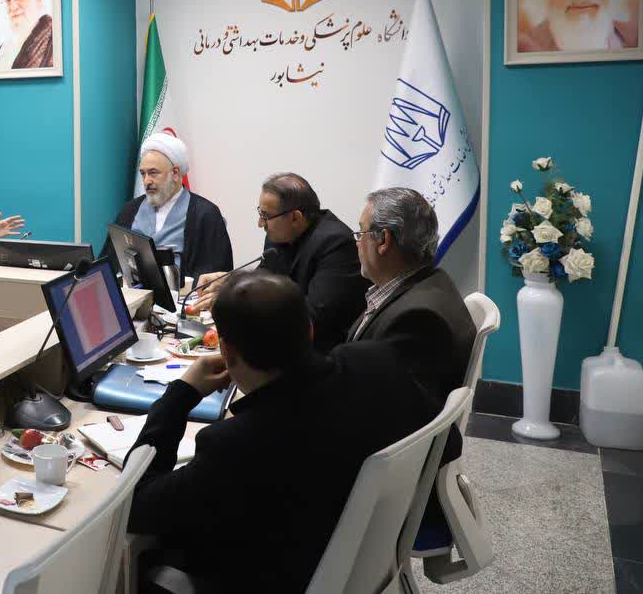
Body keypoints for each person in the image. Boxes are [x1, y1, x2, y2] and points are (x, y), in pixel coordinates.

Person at [125, 271, 438, 594]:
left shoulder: (235, 445)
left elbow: (135, 507)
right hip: (363, 564)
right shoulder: (377, 359)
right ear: (310, 330)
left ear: (227, 352)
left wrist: (180, 395)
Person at [192, 172, 368, 353]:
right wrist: (227, 282)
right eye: (260, 213)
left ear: (295, 217)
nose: (260, 223)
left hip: (320, 353)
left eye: (266, 216)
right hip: (283, 344)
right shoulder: (278, 235)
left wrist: (239, 304)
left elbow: (313, 317)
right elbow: (262, 279)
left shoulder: (336, 243)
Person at [347, 187, 476, 408]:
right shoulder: (432, 281)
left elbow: (386, 405)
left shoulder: (417, 319)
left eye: (361, 233)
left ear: (383, 240)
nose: (357, 243)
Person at [103, 133, 232, 279]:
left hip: (183, 293)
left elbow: (216, 276)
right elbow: (108, 262)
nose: (146, 181)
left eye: (153, 173)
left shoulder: (205, 214)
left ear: (175, 173)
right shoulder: (130, 210)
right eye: (143, 174)